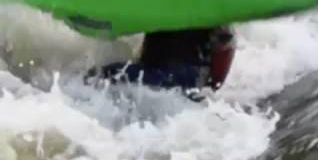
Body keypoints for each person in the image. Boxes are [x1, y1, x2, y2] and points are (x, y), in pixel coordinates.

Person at [85, 25, 236, 96]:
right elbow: (226, 45)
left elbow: (226, 42)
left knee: (96, 76)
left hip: (169, 80)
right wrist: (212, 86)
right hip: (188, 85)